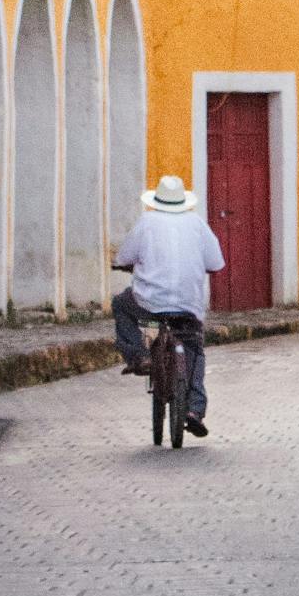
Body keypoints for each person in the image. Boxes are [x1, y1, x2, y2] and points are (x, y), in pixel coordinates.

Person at [111, 174, 224, 437]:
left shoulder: (147, 223)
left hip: (150, 305)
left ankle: (139, 355)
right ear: (183, 202)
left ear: (157, 202)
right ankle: (195, 409)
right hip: (188, 306)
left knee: (120, 304)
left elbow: (124, 257)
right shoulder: (197, 225)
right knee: (195, 347)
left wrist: (127, 264)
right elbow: (216, 263)